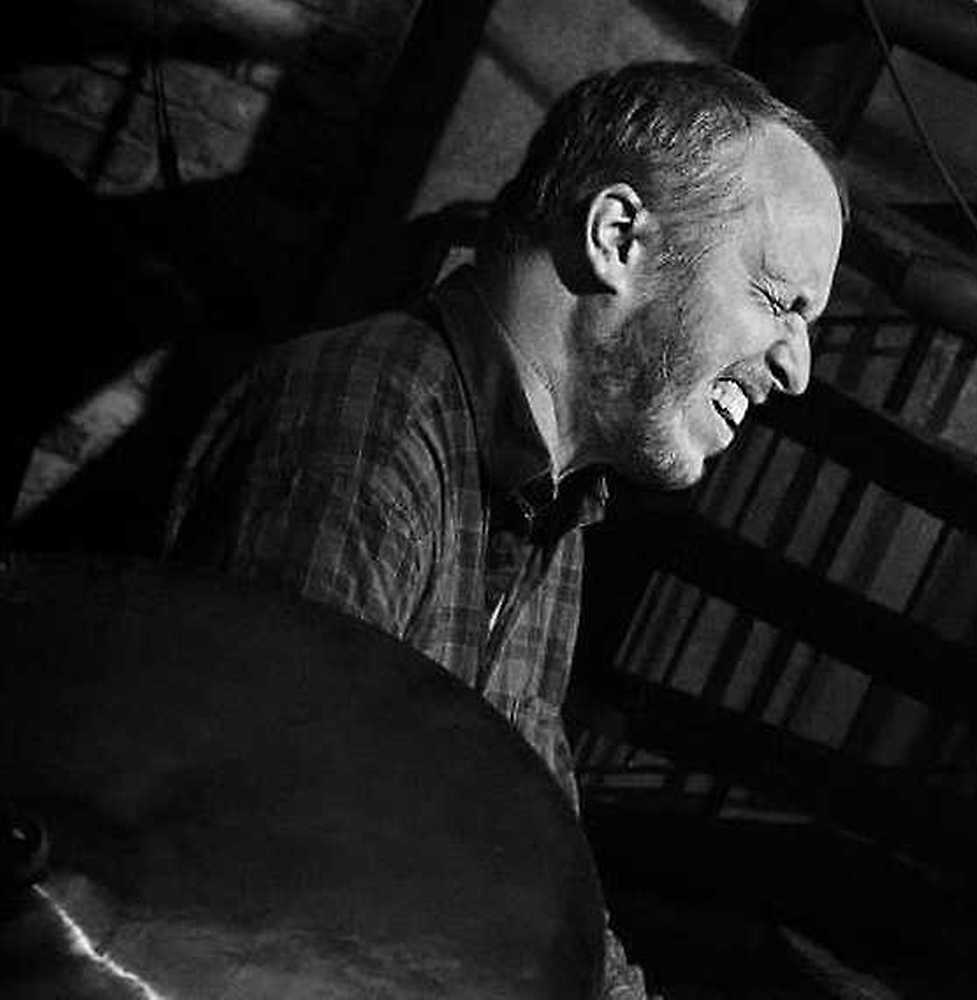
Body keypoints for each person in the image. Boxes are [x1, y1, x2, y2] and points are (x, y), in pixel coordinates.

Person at [163, 60, 846, 997]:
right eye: (777, 299)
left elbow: (535, 876)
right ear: (616, 238)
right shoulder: (369, 427)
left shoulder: (551, 507)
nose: (797, 370)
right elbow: (280, 884)